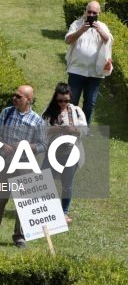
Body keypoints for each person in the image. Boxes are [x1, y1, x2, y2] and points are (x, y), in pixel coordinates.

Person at [0, 85, 46, 248]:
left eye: (19, 97)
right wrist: (3, 145)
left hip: (25, 164)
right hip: (5, 163)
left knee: (23, 202)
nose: (14, 98)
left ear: (29, 100)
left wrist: (29, 147)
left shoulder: (37, 121)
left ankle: (20, 237)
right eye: (14, 95)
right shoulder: (7, 112)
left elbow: (44, 145)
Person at [41, 83, 87, 223]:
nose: (63, 103)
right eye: (60, 100)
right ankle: (44, 209)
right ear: (55, 98)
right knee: (44, 179)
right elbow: (40, 133)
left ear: (70, 98)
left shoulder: (77, 111)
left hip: (71, 150)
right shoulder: (47, 112)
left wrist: (73, 130)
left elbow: (85, 131)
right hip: (53, 150)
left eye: (66, 100)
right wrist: (53, 130)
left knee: (67, 183)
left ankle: (64, 212)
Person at [64, 0, 113, 126]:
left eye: (94, 13)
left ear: (98, 14)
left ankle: (84, 130)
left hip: (94, 73)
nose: (91, 15)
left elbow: (108, 39)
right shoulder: (77, 24)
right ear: (85, 11)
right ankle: (70, 127)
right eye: (89, 11)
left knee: (89, 103)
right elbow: (68, 40)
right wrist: (81, 30)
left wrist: (99, 30)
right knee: (72, 101)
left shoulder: (102, 26)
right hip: (76, 70)